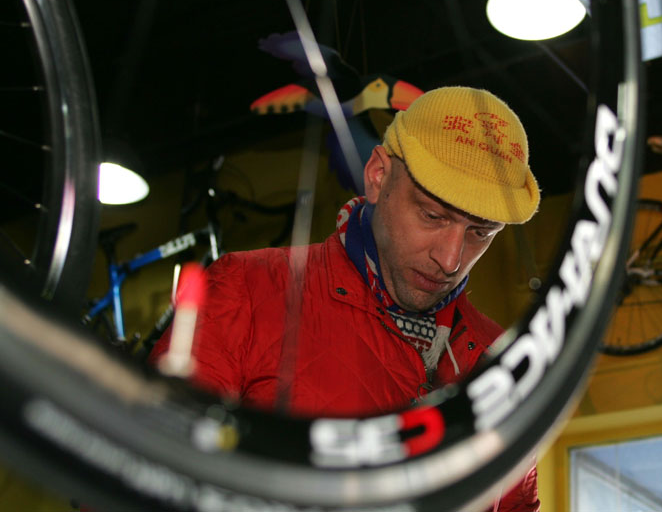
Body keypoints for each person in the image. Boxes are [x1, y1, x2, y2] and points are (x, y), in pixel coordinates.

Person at [149, 86, 541, 511]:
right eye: (432, 215)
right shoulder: (245, 289)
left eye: (480, 232)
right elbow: (141, 468)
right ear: (377, 176)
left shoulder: (503, 360)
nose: (449, 259)